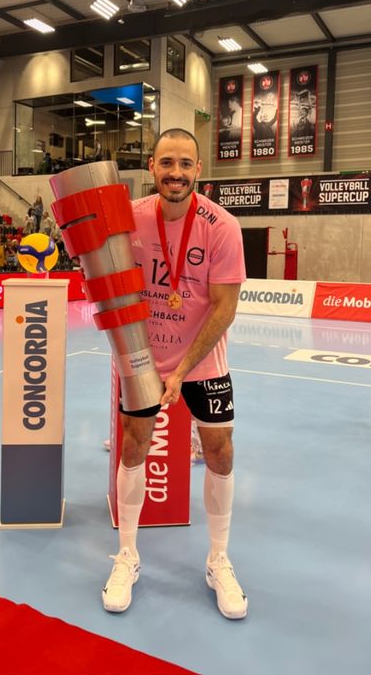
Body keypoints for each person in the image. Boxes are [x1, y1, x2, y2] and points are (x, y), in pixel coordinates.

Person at [102, 128, 248, 620]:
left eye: (186, 163)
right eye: (167, 162)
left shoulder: (222, 226)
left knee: (220, 451)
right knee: (133, 444)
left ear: (199, 170)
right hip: (144, 356)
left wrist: (182, 370)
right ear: (152, 166)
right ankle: (127, 554)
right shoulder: (130, 217)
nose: (176, 173)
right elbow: (108, 277)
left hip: (202, 360)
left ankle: (218, 559)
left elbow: (225, 309)